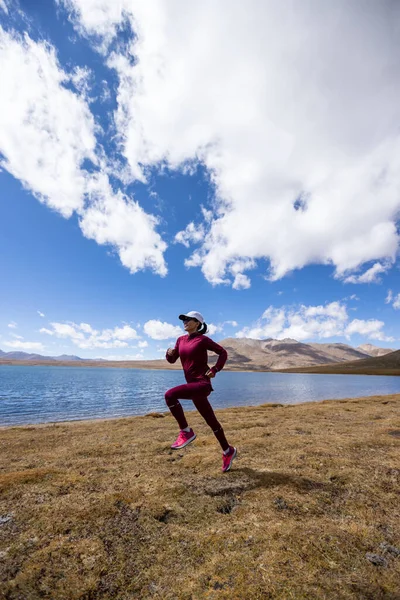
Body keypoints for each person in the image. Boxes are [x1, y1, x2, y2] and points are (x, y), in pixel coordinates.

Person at [165, 311, 237, 473]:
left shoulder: (202, 340)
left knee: (170, 395)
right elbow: (172, 360)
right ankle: (228, 451)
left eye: (188, 319)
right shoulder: (180, 340)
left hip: (202, 384)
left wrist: (215, 369)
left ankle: (186, 431)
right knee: (212, 422)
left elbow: (223, 353)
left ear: (197, 323)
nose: (185, 322)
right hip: (192, 386)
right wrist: (169, 353)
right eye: (183, 319)